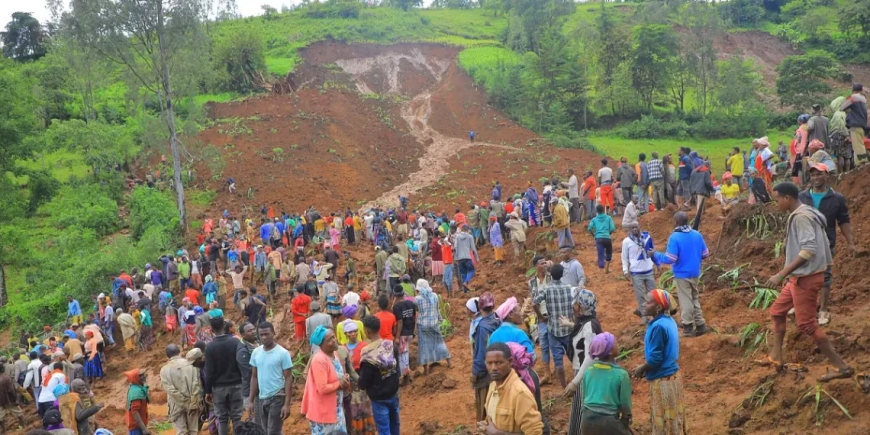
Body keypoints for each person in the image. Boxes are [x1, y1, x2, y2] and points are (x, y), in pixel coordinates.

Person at [761, 182, 854, 382]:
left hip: (806, 278)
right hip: (799, 277)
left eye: (777, 199)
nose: (775, 203)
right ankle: (775, 357)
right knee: (777, 312)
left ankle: (842, 367)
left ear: (788, 199)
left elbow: (808, 250)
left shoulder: (802, 217)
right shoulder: (805, 212)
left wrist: (780, 274)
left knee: (807, 325)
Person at [798, 163, 856, 325]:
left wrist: (850, 242)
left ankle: (823, 309)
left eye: (819, 174)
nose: (816, 178)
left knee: (824, 275)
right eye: (813, 175)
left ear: (827, 175)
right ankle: (804, 305)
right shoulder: (802, 197)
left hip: (826, 242)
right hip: (805, 242)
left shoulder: (837, 199)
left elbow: (843, 221)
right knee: (803, 273)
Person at [633, 290, 686, 435]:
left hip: (663, 381)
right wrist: (644, 314)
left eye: (648, 302)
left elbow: (655, 359)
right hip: (672, 377)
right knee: (674, 420)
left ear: (658, 308)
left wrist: (642, 368)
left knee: (663, 423)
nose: (644, 304)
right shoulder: (667, 321)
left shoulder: (658, 327)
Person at [653, 212, 710, 338]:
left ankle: (688, 327)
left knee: (686, 300)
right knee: (694, 297)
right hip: (695, 272)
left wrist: (655, 255)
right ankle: (700, 324)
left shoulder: (675, 237)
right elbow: (705, 254)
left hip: (682, 273)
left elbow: (670, 258)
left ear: (676, 222)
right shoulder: (697, 234)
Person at [476, 343, 544, 435]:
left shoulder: (520, 394)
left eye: (499, 363)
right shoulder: (493, 387)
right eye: (489, 363)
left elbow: (535, 433)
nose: (493, 368)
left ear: (510, 361)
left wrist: (497, 433)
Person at [564, 289, 603, 435]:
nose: (573, 306)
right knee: (579, 411)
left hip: (585, 375)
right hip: (583, 373)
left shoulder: (589, 326)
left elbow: (590, 356)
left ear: (580, 308)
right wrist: (569, 324)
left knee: (582, 413)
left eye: (575, 304)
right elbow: (580, 331)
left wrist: (575, 381)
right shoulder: (586, 322)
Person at [577, 333, 632, 435]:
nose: (618, 344)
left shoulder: (589, 371)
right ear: (610, 351)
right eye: (615, 343)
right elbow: (625, 404)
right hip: (609, 421)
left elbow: (584, 396)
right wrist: (626, 418)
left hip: (587, 420)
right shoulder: (621, 374)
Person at [301, 326, 349, 434]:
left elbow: (338, 376)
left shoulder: (335, 355)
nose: (334, 340)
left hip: (336, 410)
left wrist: (345, 379)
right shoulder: (319, 360)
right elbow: (322, 388)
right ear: (321, 345)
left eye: (333, 337)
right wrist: (340, 384)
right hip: (323, 414)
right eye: (329, 340)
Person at [248, 322, 293, 435]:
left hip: (277, 397)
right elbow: (254, 377)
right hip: (261, 398)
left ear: (273, 333)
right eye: (261, 335)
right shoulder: (256, 353)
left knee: (273, 431)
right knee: (263, 430)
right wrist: (251, 400)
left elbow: (288, 379)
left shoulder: (283, 353)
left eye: (267, 334)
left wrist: (287, 404)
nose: (264, 337)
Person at [358, 316, 401, 435]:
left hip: (378, 397)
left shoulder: (367, 354)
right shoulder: (391, 345)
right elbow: (397, 368)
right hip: (394, 392)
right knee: (395, 424)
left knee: (383, 428)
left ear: (367, 331)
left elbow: (364, 381)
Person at [204, 316, 244, 435]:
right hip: (236, 384)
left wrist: (208, 391)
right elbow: (240, 363)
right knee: (237, 417)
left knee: (222, 419)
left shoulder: (209, 347)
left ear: (211, 330)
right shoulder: (235, 342)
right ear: (224, 327)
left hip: (218, 388)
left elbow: (210, 372)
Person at [341, 319, 377, 435]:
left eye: (355, 331)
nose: (353, 334)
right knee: (351, 409)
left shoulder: (364, 346)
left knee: (364, 406)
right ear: (345, 334)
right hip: (349, 385)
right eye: (350, 332)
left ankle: (367, 430)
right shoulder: (342, 349)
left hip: (362, 383)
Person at [160, 344, 202, 435]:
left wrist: (183, 401)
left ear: (167, 355)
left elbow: (170, 390)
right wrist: (191, 402)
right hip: (192, 403)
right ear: (179, 352)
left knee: (181, 432)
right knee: (193, 431)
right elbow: (196, 384)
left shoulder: (164, 370)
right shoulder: (192, 364)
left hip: (176, 405)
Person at [470, 292, 499, 421]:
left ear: (480, 308)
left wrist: (476, 372)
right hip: (499, 365)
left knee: (484, 403)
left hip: (486, 371)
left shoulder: (482, 327)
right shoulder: (498, 320)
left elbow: (481, 351)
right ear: (493, 306)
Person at [621, 223, 658, 322]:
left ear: (639, 227)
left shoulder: (647, 238)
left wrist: (657, 264)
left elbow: (652, 250)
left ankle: (654, 314)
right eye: (632, 228)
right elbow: (624, 257)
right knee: (640, 295)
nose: (634, 229)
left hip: (649, 270)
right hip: (636, 272)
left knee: (653, 294)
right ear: (629, 229)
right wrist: (625, 270)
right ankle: (644, 316)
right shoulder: (626, 242)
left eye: (636, 227)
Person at [414, 279, 452, 375]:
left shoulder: (417, 299)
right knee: (440, 343)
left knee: (424, 347)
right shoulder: (434, 296)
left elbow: (416, 311)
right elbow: (437, 309)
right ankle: (449, 363)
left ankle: (426, 371)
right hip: (434, 323)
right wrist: (440, 319)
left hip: (423, 325)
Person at [391, 287, 416, 384]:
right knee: (405, 353)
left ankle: (405, 377)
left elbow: (400, 322)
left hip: (402, 334)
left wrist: (397, 337)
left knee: (402, 355)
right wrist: (413, 331)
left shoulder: (396, 307)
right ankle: (406, 375)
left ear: (395, 295)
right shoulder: (411, 303)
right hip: (409, 332)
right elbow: (414, 318)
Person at [838, 83, 868, 164]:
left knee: (857, 146)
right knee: (858, 144)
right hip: (862, 126)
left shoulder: (853, 97)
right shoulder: (863, 99)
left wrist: (847, 109)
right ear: (861, 90)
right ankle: (858, 163)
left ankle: (862, 162)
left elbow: (841, 107)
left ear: (853, 90)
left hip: (855, 126)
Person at [588, 205, 616, 272]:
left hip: (598, 238)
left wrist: (594, 235)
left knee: (600, 254)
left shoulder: (594, 219)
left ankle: (601, 269)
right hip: (607, 238)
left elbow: (589, 228)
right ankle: (607, 268)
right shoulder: (608, 218)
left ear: (597, 211)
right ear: (603, 210)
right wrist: (608, 234)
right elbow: (612, 228)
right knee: (609, 252)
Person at [454, 225, 479, 293]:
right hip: (467, 257)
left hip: (460, 259)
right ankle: (465, 282)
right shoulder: (470, 236)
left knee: (463, 273)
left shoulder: (457, 237)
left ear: (461, 229)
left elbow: (455, 247)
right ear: (467, 230)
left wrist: (456, 257)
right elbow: (473, 248)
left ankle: (465, 291)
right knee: (472, 270)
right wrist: (477, 258)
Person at [0, 363, 25, 433]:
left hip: (0, 402)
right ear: (3, 369)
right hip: (9, 400)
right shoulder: (7, 377)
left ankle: (4, 431)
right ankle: (24, 426)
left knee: (1, 417)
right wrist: (15, 399)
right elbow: (11, 390)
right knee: (19, 412)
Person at [124, 368, 150, 435]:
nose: (145, 376)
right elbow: (135, 412)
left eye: (144, 374)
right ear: (136, 378)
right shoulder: (136, 393)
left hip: (139, 424)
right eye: (141, 375)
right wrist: (144, 428)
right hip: (136, 426)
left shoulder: (138, 387)